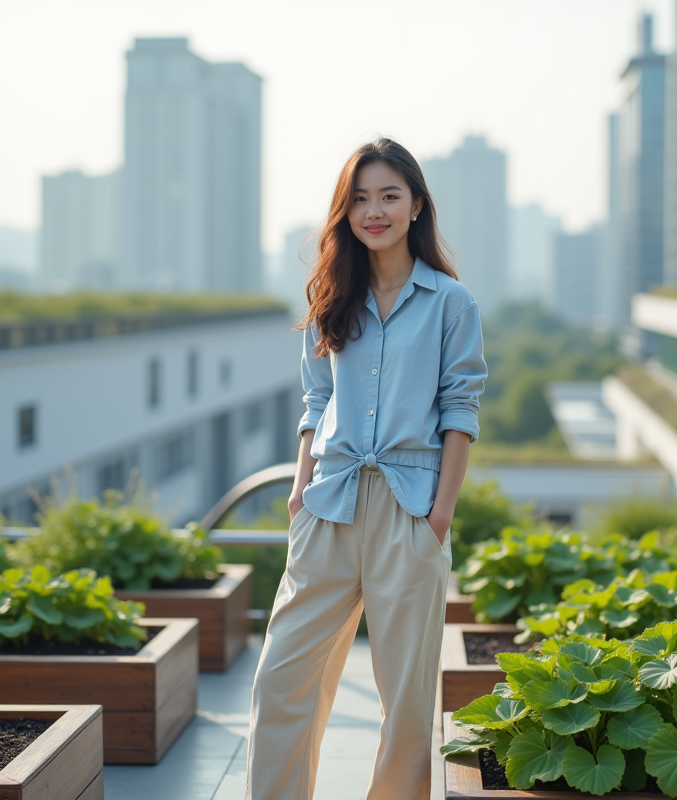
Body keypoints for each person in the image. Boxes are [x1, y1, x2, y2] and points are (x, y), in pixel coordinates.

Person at [245, 137, 487, 800]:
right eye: (359, 199)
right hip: (328, 503)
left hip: (410, 511)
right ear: (344, 211)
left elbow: (459, 411)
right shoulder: (331, 296)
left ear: (416, 206)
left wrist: (440, 516)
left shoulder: (451, 303)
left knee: (405, 702)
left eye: (388, 196)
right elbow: (316, 401)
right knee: (281, 679)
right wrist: (299, 491)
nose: (374, 211)